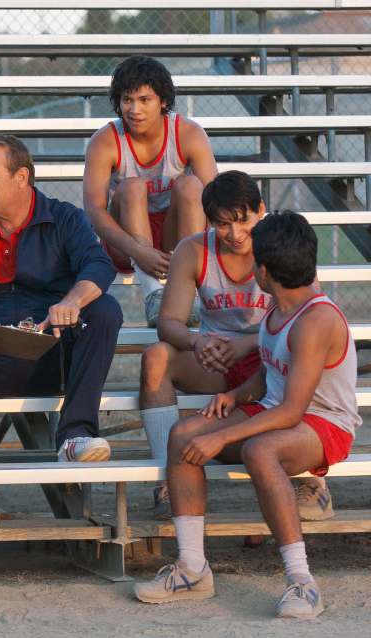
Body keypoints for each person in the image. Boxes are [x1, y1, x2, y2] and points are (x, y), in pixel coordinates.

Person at [133, 212, 361, 620]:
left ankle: (301, 581)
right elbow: (269, 371)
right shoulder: (279, 305)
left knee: (259, 450)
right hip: (275, 410)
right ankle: (192, 568)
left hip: (324, 422)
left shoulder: (316, 319)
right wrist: (235, 395)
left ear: (265, 271)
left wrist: (221, 438)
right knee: (184, 436)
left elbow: (293, 409)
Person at [0, 135, 122, 528]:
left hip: (53, 356)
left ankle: (74, 436)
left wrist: (72, 301)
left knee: (104, 310)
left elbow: (99, 267)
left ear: (22, 177)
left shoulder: (65, 217)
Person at [140, 171, 333, 520]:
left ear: (261, 209)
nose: (234, 233)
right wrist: (197, 341)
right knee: (156, 358)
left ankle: (311, 479)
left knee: (300, 362)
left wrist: (249, 343)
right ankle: (166, 481)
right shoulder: (194, 249)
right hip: (218, 360)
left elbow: (309, 315)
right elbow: (168, 322)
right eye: (222, 224)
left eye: (242, 220)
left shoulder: (279, 243)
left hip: (272, 356)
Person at [82, 55, 217, 326]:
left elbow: (216, 200)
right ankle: (154, 293)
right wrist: (138, 250)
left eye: (145, 100)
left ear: (163, 101)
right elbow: (94, 210)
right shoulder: (105, 140)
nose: (134, 109)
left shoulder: (188, 133)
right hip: (127, 239)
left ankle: (188, 292)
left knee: (191, 186)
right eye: (127, 100)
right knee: (132, 187)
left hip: (175, 235)